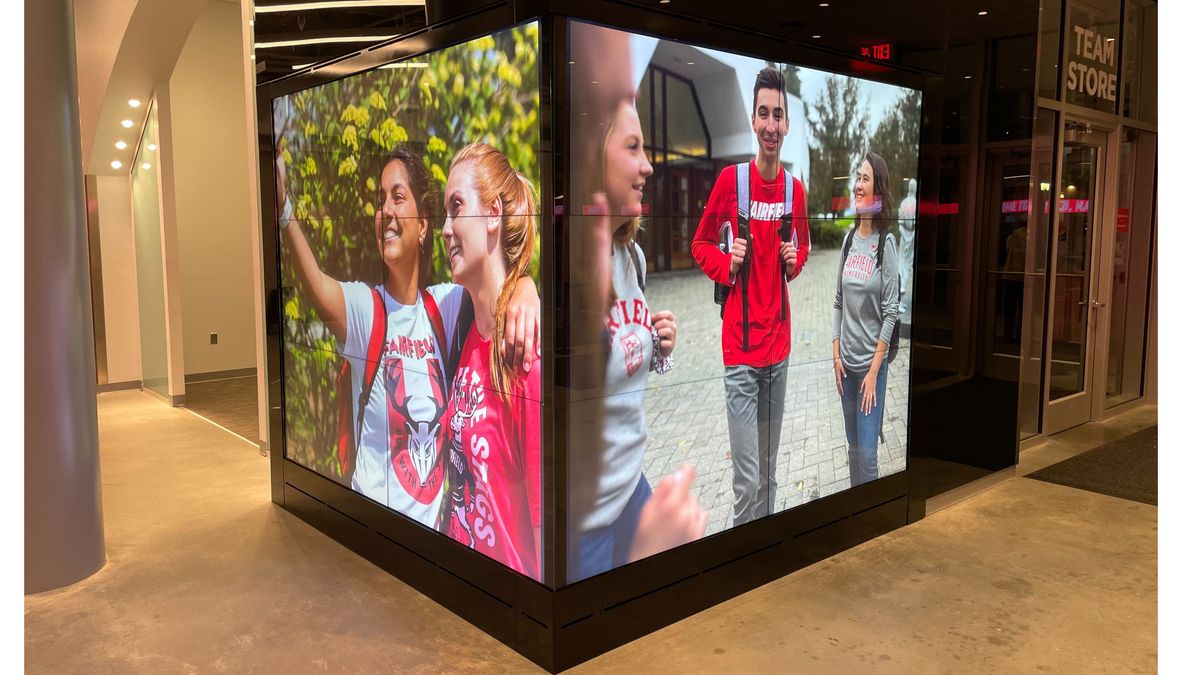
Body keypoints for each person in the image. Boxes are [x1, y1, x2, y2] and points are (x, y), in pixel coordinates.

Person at [275, 143, 540, 528]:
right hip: (371, 532)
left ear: (423, 225)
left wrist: (525, 287)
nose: (385, 211)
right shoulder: (368, 311)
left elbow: (492, 283)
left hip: (434, 538)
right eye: (380, 201)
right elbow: (315, 284)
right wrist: (284, 209)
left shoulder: (445, 307)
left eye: (398, 197)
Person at [567, 22, 707, 583]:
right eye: (634, 147)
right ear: (592, 159)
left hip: (631, 487)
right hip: (588, 522)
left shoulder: (635, 260)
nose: (650, 166)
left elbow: (627, 356)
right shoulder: (565, 278)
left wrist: (659, 342)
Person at [691, 66, 811, 527]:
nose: (770, 125)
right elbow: (699, 244)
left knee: (770, 474)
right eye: (763, 114)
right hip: (740, 355)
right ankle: (742, 569)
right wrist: (729, 264)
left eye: (778, 115)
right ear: (753, 119)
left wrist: (791, 260)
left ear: (786, 124)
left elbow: (799, 255)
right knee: (746, 479)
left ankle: (766, 562)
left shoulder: (793, 192)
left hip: (778, 351)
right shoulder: (730, 183)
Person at [438, 143, 543, 580]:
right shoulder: (460, 323)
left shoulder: (524, 355)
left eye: (456, 207)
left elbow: (544, 526)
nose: (445, 229)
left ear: (494, 214)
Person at [833, 152, 899, 487]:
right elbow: (837, 301)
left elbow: (891, 312)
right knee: (854, 448)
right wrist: (835, 355)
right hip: (846, 367)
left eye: (865, 179)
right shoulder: (848, 241)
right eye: (857, 177)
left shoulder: (886, 244)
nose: (859, 185)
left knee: (869, 457)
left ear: (878, 189)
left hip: (870, 370)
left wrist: (874, 372)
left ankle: (870, 526)